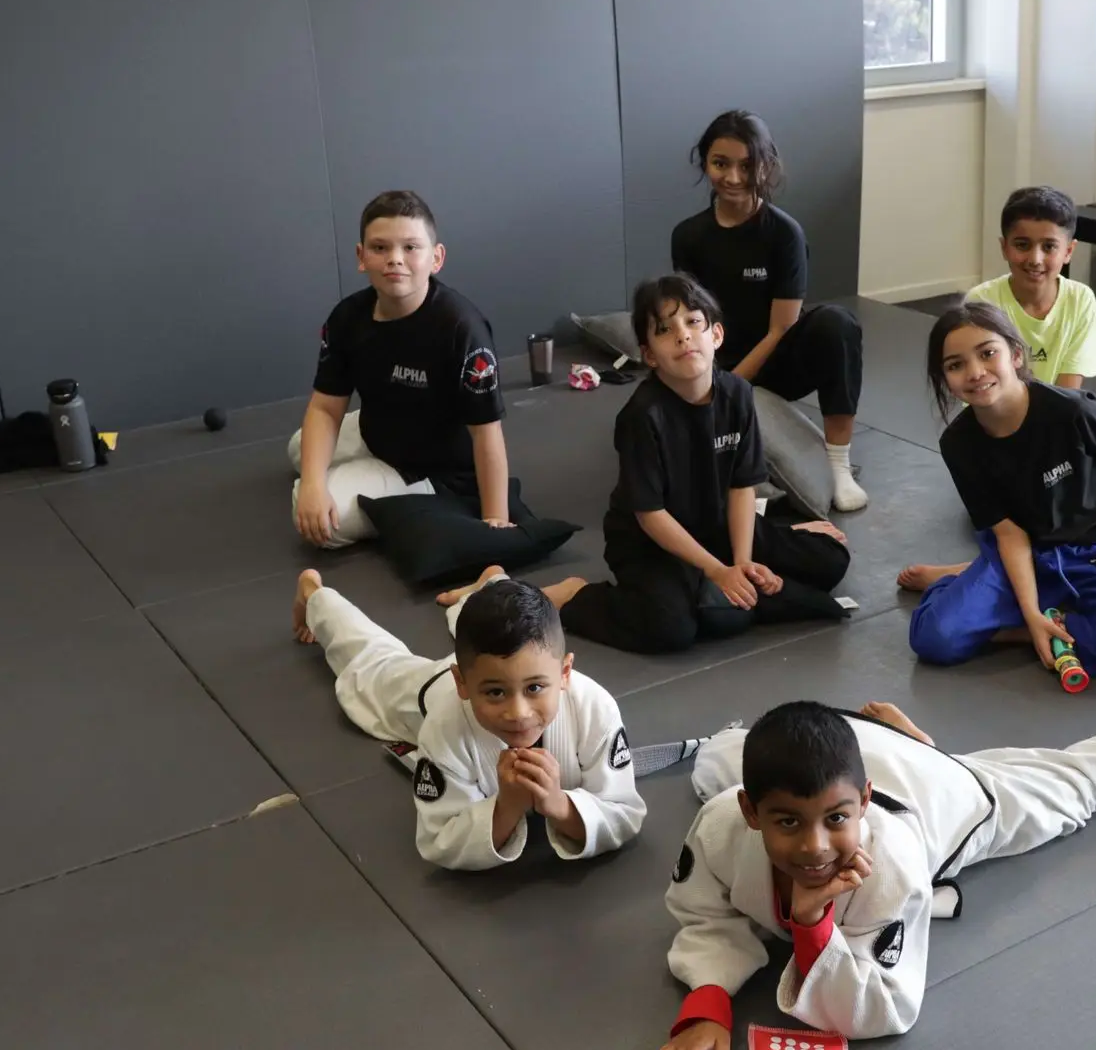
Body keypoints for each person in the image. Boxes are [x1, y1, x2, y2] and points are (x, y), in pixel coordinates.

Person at [653, 675, 1096, 1050]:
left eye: (834, 821)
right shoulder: (721, 822)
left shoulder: (890, 865)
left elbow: (887, 1007)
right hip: (876, 763)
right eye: (787, 822)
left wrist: (812, 925)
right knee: (715, 760)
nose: (815, 848)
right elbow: (705, 910)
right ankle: (906, 742)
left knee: (1083, 784)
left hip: (950, 799)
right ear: (751, 812)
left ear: (861, 803)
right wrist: (708, 1001)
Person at [543, 275, 852, 654]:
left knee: (831, 561)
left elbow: (742, 486)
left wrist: (742, 563)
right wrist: (716, 570)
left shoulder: (738, 394)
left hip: (719, 528)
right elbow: (650, 515)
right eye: (665, 329)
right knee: (670, 628)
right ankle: (579, 594)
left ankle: (735, 591)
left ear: (716, 335)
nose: (683, 335)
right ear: (650, 354)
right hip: (651, 545)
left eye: (693, 322)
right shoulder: (642, 416)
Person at [897, 302, 1096, 683]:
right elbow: (1008, 533)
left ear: (1016, 354)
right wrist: (1032, 612)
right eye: (956, 365)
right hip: (1023, 560)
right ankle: (977, 591)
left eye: (988, 354)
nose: (975, 373)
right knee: (933, 638)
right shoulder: (958, 442)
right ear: (944, 377)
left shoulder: (1072, 411)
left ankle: (1030, 630)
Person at [289, 564, 645, 870]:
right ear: (463, 682)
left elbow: (625, 812)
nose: (518, 713)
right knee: (373, 666)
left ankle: (494, 581)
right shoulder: (444, 726)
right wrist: (506, 809)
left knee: (503, 623)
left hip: (488, 666)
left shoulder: (594, 707)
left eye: (535, 688)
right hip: (430, 691)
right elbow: (438, 838)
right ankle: (317, 596)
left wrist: (560, 806)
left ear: (565, 673)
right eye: (496, 693)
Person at [290, 190, 516, 548]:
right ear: (361, 256)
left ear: (436, 258)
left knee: (324, 524)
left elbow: (486, 434)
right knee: (299, 451)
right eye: (380, 248)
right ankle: (332, 474)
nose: (395, 259)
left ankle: (406, 495)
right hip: (376, 431)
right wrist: (315, 485)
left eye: (411, 247)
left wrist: (495, 524)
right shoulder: (348, 317)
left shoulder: (462, 328)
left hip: (430, 468)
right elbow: (324, 407)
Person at [671, 110, 868, 511]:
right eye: (720, 164)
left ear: (767, 165)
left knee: (837, 324)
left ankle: (839, 466)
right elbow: (691, 323)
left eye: (747, 165)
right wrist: (705, 385)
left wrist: (731, 391)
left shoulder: (784, 233)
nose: (733, 178)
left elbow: (781, 329)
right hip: (716, 364)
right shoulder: (688, 235)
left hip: (773, 361)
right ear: (704, 162)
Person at [964, 185, 1096, 390]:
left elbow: (1068, 393)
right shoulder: (982, 301)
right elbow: (981, 386)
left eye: (1049, 247)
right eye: (1022, 245)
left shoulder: (1081, 299)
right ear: (1004, 247)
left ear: (1068, 251)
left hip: (1054, 412)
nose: (1035, 259)